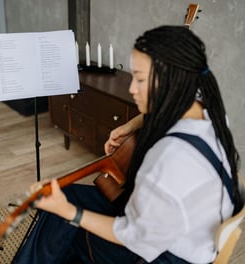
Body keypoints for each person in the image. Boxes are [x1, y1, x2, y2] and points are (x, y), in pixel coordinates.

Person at [14, 25, 244, 263]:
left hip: (167, 255)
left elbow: (134, 237)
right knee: (69, 194)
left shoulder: (168, 157)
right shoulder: (208, 111)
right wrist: (130, 126)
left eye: (140, 79)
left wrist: (71, 213)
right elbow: (163, 112)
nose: (132, 88)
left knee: (64, 228)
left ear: (171, 81)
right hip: (188, 235)